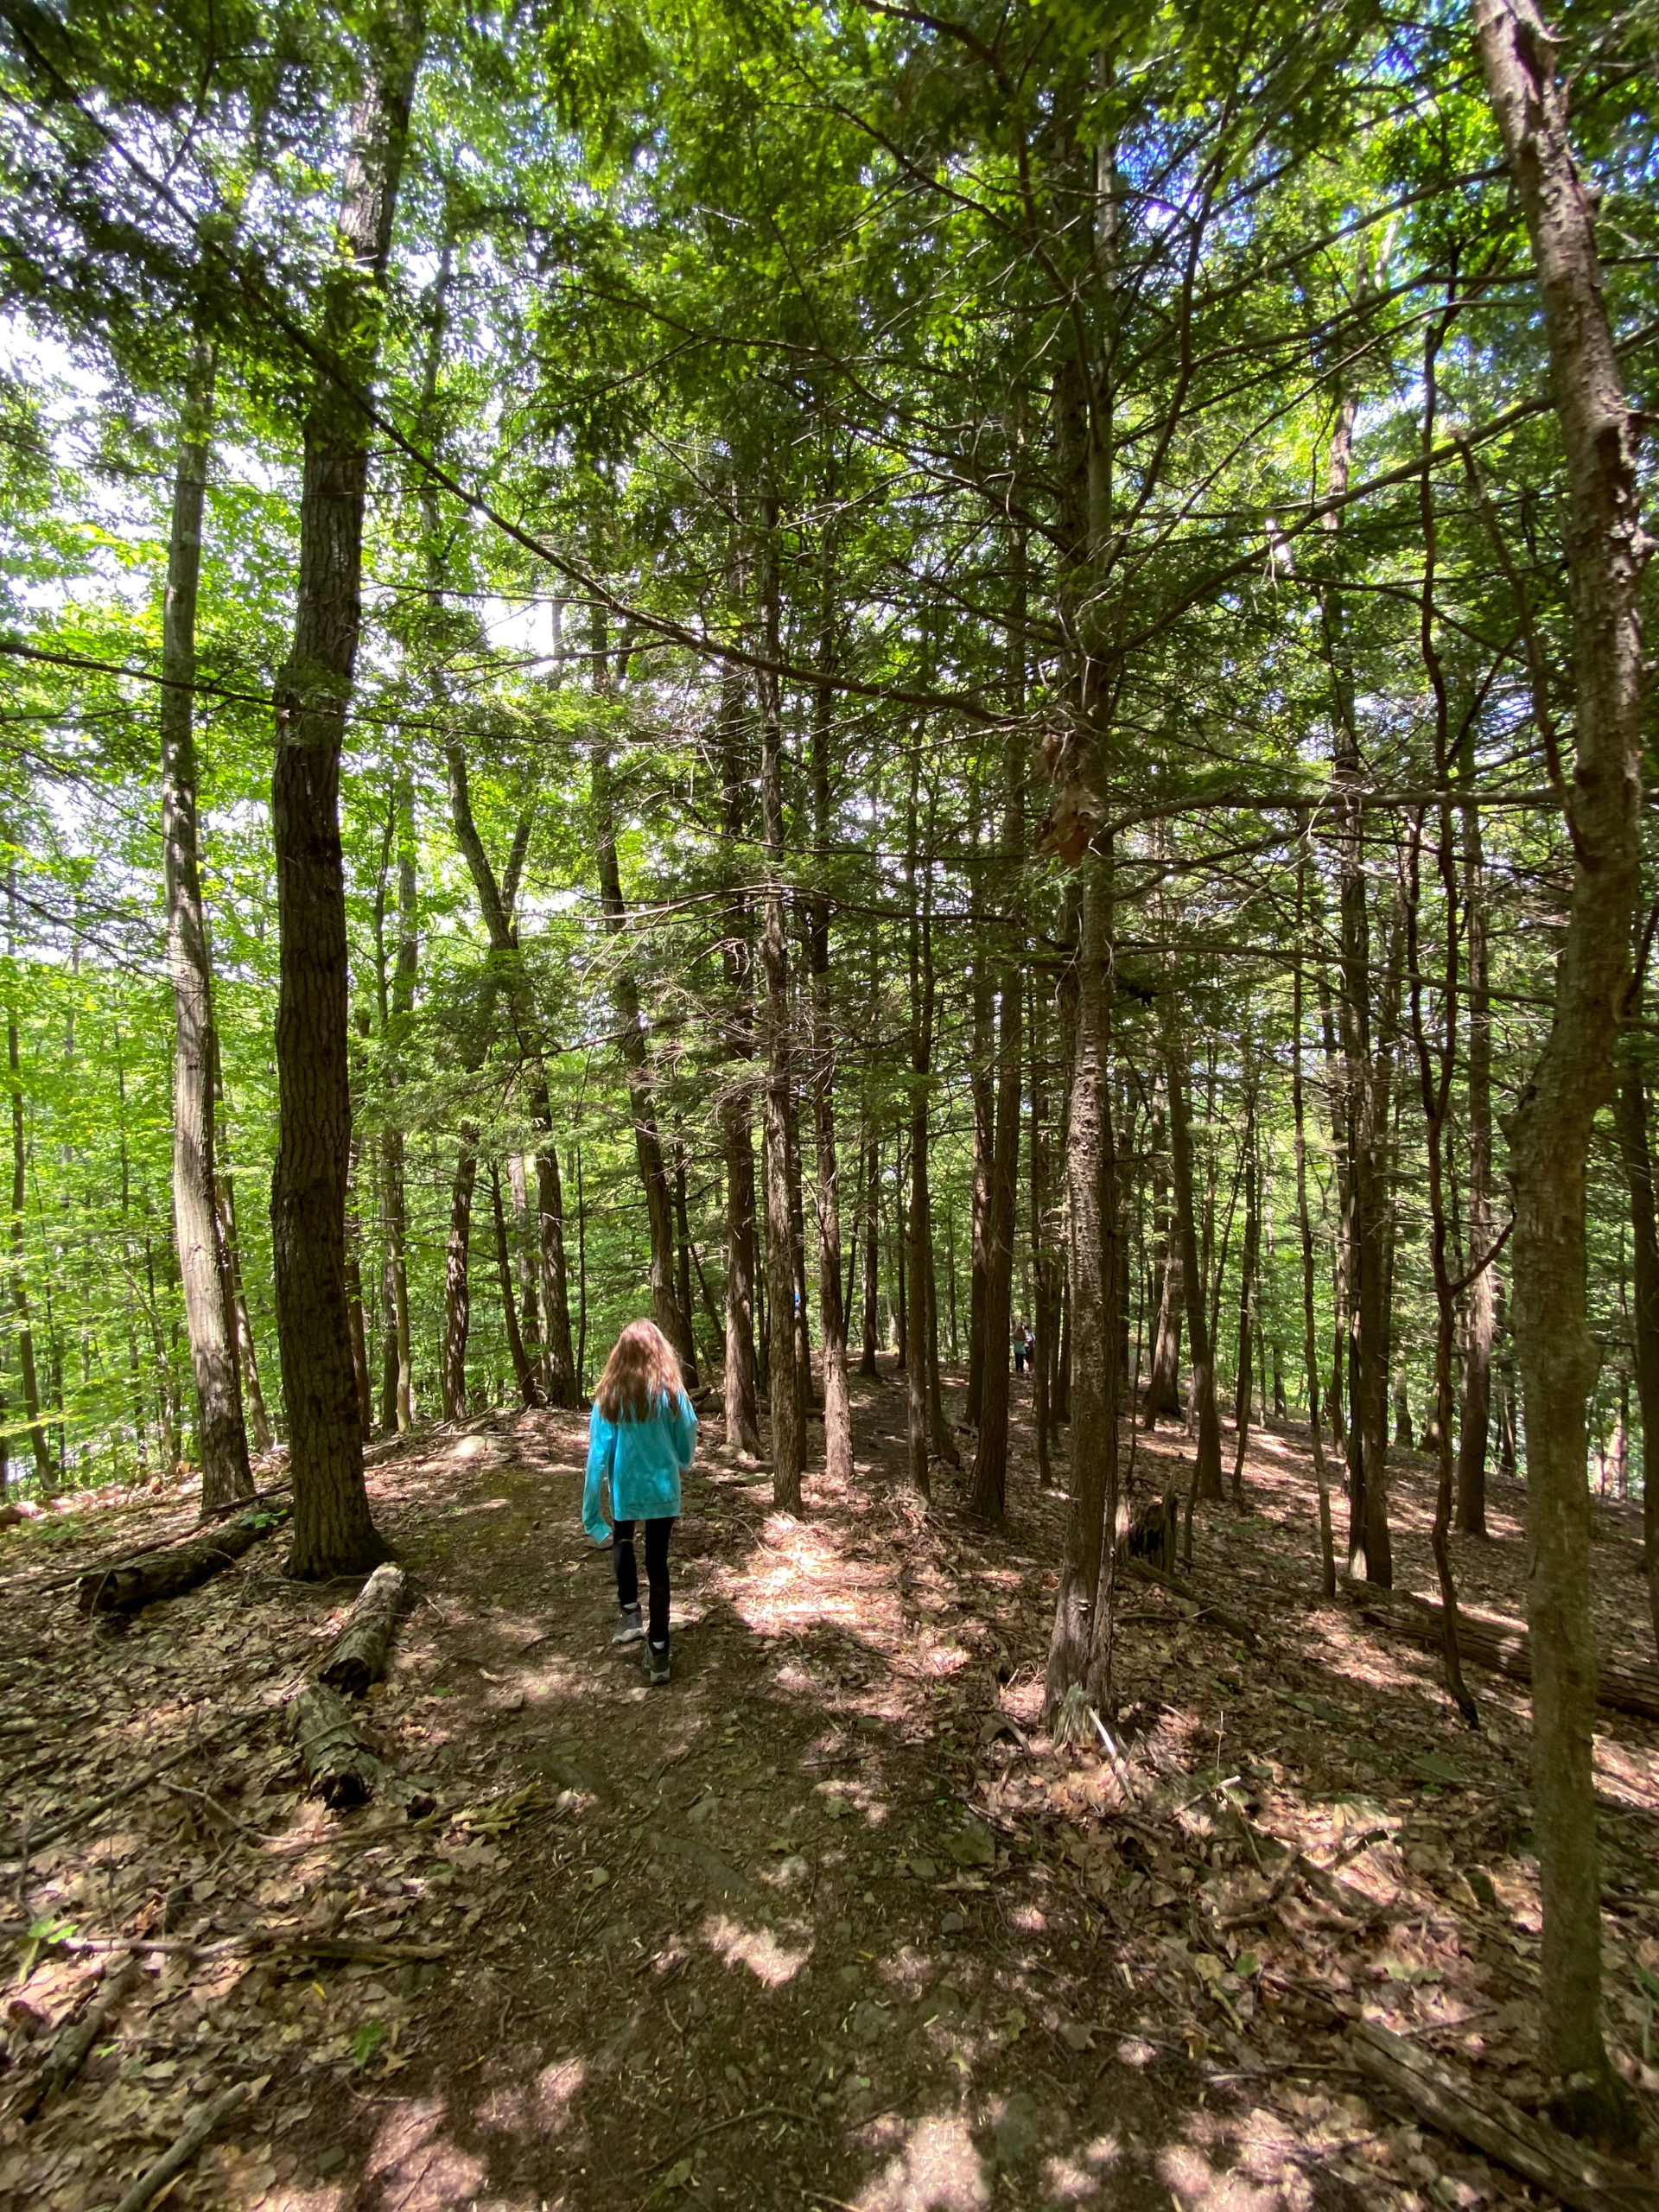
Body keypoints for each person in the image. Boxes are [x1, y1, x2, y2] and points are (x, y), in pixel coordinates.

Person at [582, 1319, 697, 1686]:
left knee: (623, 1540)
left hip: (626, 1490)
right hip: (664, 1490)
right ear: (659, 1350)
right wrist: (683, 1460)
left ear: (621, 1352)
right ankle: (660, 1650)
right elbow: (689, 1429)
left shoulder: (610, 1394)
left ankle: (630, 1614)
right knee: (658, 1564)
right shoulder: (671, 1391)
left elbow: (596, 1457)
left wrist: (591, 1516)